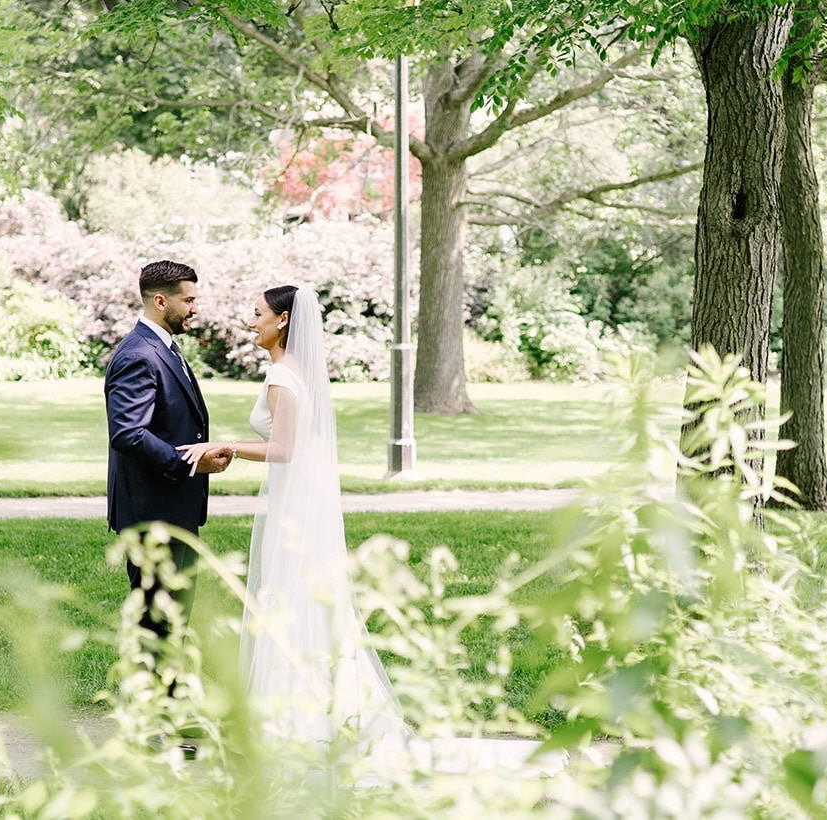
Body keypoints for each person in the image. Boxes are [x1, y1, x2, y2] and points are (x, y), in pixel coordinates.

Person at [198, 286, 554, 772]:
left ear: (282, 320)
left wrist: (226, 446)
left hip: (293, 506)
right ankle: (310, 713)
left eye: (257, 313)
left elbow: (284, 449)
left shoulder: (283, 374)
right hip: (297, 500)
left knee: (291, 601)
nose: (250, 320)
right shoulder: (295, 372)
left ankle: (293, 722)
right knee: (305, 604)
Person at [105, 261, 232, 650]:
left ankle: (166, 704)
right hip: (151, 514)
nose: (195, 308)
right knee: (155, 620)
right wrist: (190, 462)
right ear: (160, 301)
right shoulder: (140, 355)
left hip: (170, 509)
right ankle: (153, 706)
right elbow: (128, 433)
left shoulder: (163, 348)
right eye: (188, 300)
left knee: (171, 617)